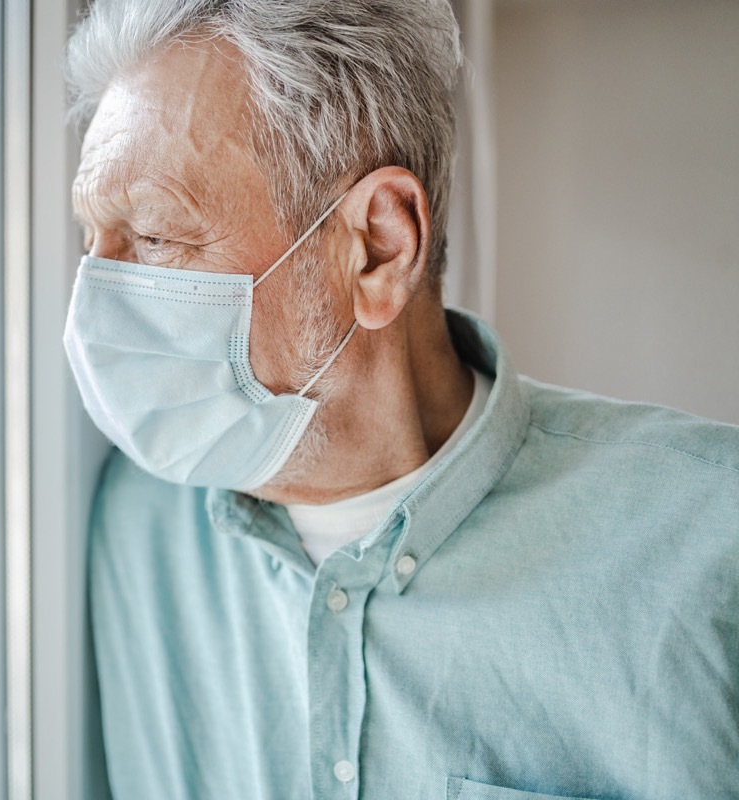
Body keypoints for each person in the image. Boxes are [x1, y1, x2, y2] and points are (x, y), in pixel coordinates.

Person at [61, 1, 739, 798]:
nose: (93, 302)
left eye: (154, 237)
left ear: (380, 247)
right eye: (92, 243)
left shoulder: (706, 544)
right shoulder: (132, 523)